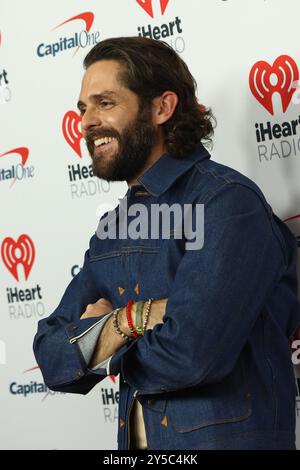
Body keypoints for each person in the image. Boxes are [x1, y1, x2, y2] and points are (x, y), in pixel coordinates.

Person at [33, 36, 300, 450]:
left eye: (105, 103)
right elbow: (51, 357)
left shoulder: (227, 202)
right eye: (84, 108)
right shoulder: (114, 227)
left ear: (161, 107)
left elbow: (191, 357)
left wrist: (97, 346)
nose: (86, 121)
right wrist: (131, 320)